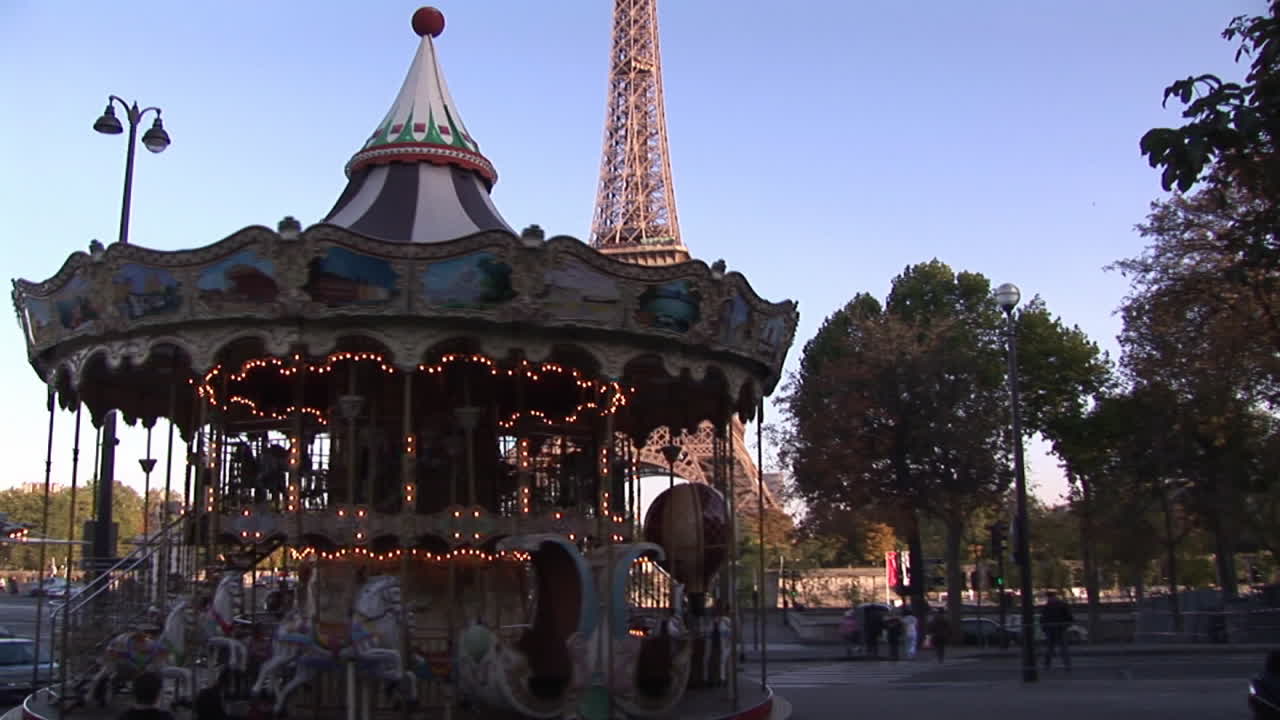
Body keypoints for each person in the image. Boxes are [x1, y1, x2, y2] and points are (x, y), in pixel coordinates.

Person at [1041, 591, 1074, 670]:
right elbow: (1069, 617)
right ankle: (1067, 665)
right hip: (1060, 628)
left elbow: (1043, 618)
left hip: (1051, 628)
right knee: (1063, 648)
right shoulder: (1062, 605)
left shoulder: (1047, 606)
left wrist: (1044, 628)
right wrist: (1066, 625)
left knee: (1050, 647)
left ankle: (1047, 664)